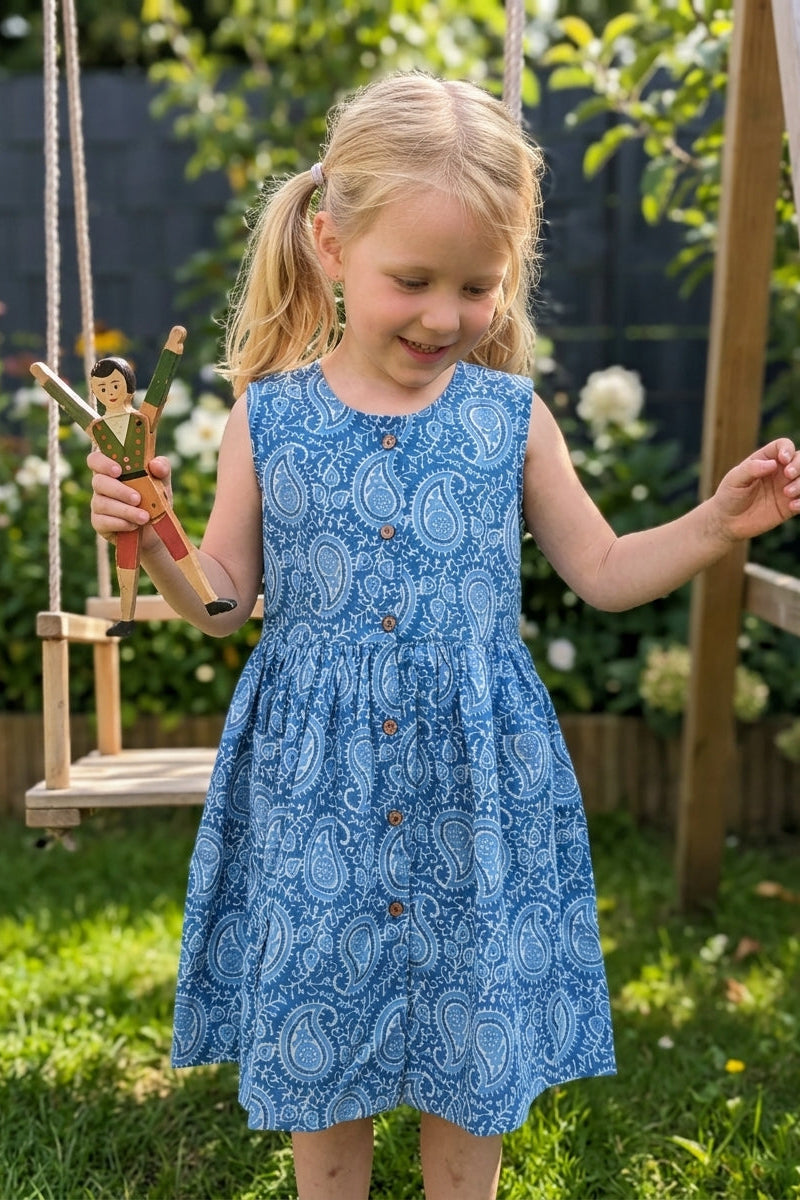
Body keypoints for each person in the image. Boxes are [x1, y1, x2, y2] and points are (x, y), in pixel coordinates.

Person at [87, 72, 800, 1200]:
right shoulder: (266, 417)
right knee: (327, 1042)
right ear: (329, 246)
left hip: (474, 778)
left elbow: (606, 573)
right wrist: (159, 539)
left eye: (475, 286)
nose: (443, 316)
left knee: (467, 1047)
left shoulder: (507, 416)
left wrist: (718, 520)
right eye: (410, 281)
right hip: (315, 784)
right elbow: (222, 598)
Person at [31, 326, 236, 637]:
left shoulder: (141, 420)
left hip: (148, 490)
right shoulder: (99, 428)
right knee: (125, 559)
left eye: (114, 384)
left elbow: (157, 391)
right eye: (101, 387)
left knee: (179, 546)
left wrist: (171, 351)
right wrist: (45, 379)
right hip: (125, 498)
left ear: (127, 387)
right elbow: (70, 403)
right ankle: (126, 618)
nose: (109, 391)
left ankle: (210, 599)